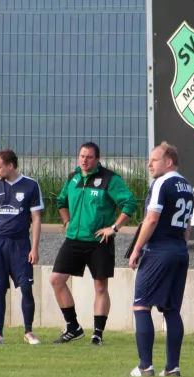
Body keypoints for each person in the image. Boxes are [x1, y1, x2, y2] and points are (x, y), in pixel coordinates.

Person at [50, 142, 138, 345]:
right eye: (81, 156)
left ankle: (97, 334)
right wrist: (66, 221)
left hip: (99, 241)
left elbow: (130, 203)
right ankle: (73, 327)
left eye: (89, 157)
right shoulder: (73, 178)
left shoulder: (109, 179)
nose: (84, 160)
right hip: (73, 238)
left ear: (97, 159)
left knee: (100, 286)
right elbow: (61, 201)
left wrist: (114, 228)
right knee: (56, 279)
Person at [128, 142, 194, 377]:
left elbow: (152, 218)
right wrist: (180, 246)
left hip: (159, 250)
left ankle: (145, 366)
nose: (149, 164)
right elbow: (187, 225)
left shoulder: (162, 183)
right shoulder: (187, 185)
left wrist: (136, 249)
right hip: (179, 251)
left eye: (154, 160)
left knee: (140, 305)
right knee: (171, 309)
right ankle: (172, 367)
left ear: (168, 161)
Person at [0, 149, 44, 345]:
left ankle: (29, 332)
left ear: (10, 165)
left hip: (21, 245)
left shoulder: (31, 185)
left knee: (26, 287)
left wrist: (34, 248)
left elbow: (36, 218)